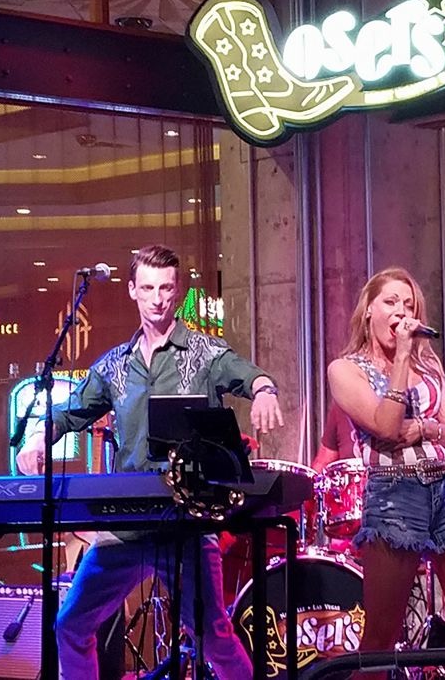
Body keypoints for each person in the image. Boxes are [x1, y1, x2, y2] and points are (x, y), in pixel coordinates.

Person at [17, 244, 282, 680]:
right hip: (126, 523)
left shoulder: (205, 353)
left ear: (177, 292)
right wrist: (38, 436)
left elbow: (249, 375)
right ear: (132, 291)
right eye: (148, 288)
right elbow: (70, 413)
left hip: (188, 522)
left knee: (213, 635)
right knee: (70, 625)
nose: (157, 299)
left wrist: (265, 390)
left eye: (165, 288)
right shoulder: (114, 365)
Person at [325, 267, 445, 680]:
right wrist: (400, 357)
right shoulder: (345, 370)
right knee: (380, 639)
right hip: (394, 494)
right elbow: (385, 424)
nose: (402, 311)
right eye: (391, 302)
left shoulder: (428, 364)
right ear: (369, 310)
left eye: (409, 304)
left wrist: (426, 428)